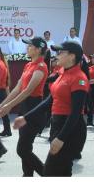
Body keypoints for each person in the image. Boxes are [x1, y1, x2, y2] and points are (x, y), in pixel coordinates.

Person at [14, 40, 88, 176]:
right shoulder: (62, 74)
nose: (57, 55)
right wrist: (25, 118)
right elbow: (49, 101)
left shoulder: (79, 78)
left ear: (72, 56)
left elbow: (76, 113)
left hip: (71, 130)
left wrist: (61, 138)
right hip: (57, 125)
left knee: (51, 172)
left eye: (61, 52)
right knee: (62, 172)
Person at [0, 36, 49, 176]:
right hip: (24, 107)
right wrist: (2, 104)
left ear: (38, 49)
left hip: (34, 109)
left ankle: (47, 174)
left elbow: (28, 90)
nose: (27, 48)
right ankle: (27, 175)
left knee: (22, 150)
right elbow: (18, 88)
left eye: (30, 46)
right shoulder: (28, 65)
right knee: (26, 147)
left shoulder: (41, 67)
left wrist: (8, 106)